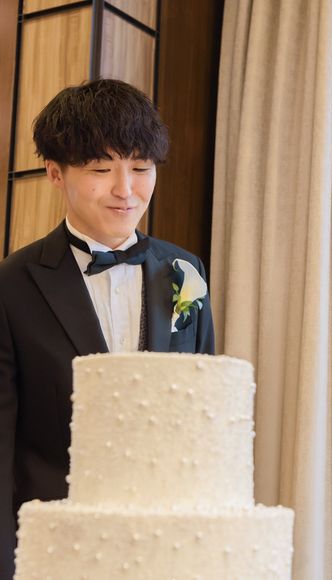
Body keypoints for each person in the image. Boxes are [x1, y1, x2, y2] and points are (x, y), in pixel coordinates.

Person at [0, 79, 215, 577]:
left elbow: (201, 415)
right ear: (55, 172)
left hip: (166, 543)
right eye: (101, 169)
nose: (126, 190)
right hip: (57, 546)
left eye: (141, 168)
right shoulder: (12, 283)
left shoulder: (184, 271)